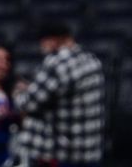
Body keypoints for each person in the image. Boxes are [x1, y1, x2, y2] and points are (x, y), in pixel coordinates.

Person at [11, 22, 104, 167]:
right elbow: (64, 92)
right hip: (90, 152)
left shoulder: (58, 62)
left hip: (64, 154)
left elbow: (28, 103)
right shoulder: (92, 60)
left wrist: (18, 92)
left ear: (52, 40)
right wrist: (33, 87)